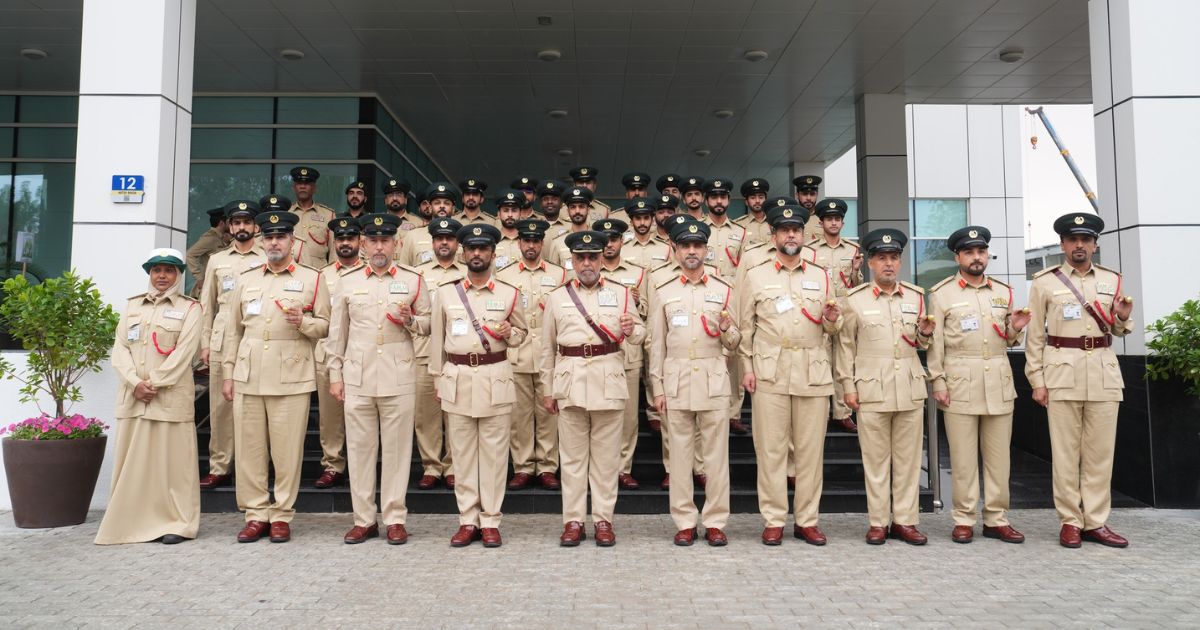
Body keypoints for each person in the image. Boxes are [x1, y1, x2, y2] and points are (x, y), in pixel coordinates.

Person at [1025, 212, 1134, 549]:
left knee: (1100, 454)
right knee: (1065, 454)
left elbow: (1119, 328)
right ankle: (1070, 521)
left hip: (1103, 372)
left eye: (1085, 240)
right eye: (1073, 240)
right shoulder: (1045, 282)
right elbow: (1035, 337)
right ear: (1063, 244)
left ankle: (1096, 522)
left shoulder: (1112, 279)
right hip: (1062, 372)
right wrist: (1037, 380)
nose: (1079, 245)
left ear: (1095, 245)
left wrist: (1122, 319)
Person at [222, 210, 330, 543]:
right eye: (268, 237)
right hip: (249, 373)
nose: (274, 243)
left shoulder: (313, 278)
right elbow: (232, 331)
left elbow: (326, 326)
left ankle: (282, 513)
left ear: (292, 241)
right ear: (261, 241)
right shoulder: (247, 278)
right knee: (250, 450)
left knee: (287, 452)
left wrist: (304, 323)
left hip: (290, 375)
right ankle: (256, 513)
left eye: (280, 237)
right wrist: (227, 373)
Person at [737, 205, 841, 546]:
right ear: (774, 236)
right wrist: (747, 368)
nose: (791, 234)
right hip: (771, 371)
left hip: (812, 371)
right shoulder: (756, 275)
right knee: (771, 451)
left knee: (810, 453)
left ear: (804, 234)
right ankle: (774, 519)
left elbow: (832, 327)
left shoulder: (821, 275)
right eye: (784, 230)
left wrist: (832, 320)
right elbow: (745, 328)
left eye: (796, 229)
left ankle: (807, 520)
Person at [326, 213, 430, 544]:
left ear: (396, 244)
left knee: (397, 452)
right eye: (373, 241)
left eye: (385, 240)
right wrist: (335, 374)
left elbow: (429, 323)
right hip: (357, 376)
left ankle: (395, 517)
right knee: (360, 451)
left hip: (398, 376)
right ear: (363, 244)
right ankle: (364, 519)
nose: (379, 247)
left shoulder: (414, 280)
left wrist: (411, 320)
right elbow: (337, 333)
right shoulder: (348, 280)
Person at [541, 230, 645, 547]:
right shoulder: (557, 297)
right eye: (580, 258)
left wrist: (633, 329)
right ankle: (573, 520)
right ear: (572, 261)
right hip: (570, 383)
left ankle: (603, 520)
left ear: (602, 259)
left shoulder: (622, 293)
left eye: (592, 257)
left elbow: (641, 334)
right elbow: (547, 348)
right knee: (572, 460)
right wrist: (547, 388)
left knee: (606, 460)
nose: (587, 263)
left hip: (608, 380)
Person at [927, 226, 1029, 544]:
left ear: (987, 255)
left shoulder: (1003, 292)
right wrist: (938, 381)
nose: (976, 257)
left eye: (981, 252)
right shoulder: (942, 294)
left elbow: (1009, 338)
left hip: (998, 381)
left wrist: (1015, 329)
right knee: (963, 459)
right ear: (957, 257)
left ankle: (997, 518)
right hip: (959, 382)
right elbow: (935, 344)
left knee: (999, 459)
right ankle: (964, 518)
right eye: (969, 252)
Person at [429, 223, 527, 548]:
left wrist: (511, 334)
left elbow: (522, 334)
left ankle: (491, 520)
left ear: (493, 254)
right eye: (471, 248)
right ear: (463, 253)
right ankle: (467, 520)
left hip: (494, 376)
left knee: (495, 456)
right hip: (457, 378)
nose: (477, 253)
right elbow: (437, 341)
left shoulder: (510, 293)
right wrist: (437, 378)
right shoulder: (446, 292)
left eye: (483, 248)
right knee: (462, 455)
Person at [97, 248, 203, 545]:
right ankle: (131, 521)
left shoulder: (190, 309)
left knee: (173, 467)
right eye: (157, 270)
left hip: (168, 399)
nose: (162, 276)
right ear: (149, 273)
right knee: (133, 465)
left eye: (169, 270)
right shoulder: (132, 306)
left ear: (178, 275)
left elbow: (185, 353)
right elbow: (120, 350)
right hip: (134, 398)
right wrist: (134, 383)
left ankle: (178, 523)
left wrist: (152, 383)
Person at [837, 228, 934, 546]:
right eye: (881, 258)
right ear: (870, 263)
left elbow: (922, 342)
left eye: (893, 258)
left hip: (908, 386)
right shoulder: (855, 300)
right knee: (876, 461)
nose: (888, 264)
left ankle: (905, 521)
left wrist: (926, 334)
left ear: (900, 262)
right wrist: (848, 386)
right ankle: (878, 521)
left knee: (908, 461)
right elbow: (845, 347)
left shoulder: (916, 296)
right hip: (871, 388)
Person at [648, 219, 740, 546]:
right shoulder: (663, 291)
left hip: (713, 379)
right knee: (680, 458)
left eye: (697, 245)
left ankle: (715, 521)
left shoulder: (724, 289)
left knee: (716, 458)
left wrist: (728, 330)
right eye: (685, 246)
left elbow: (735, 341)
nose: (691, 251)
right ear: (675, 250)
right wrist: (657, 388)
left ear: (706, 250)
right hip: (676, 381)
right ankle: (685, 520)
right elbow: (656, 345)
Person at [198, 200, 265, 489]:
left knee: (255, 407)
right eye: (237, 222)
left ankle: (254, 467)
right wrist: (204, 343)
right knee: (221, 407)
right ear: (230, 226)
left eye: (247, 222)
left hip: (254, 336)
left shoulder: (266, 256)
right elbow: (207, 306)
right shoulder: (217, 260)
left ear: (256, 226)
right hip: (222, 338)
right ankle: (220, 466)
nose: (242, 227)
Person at [497, 219, 566, 491]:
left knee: (549, 413)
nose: (531, 245)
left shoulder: (560, 275)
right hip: (517, 352)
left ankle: (547, 466)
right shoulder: (505, 276)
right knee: (520, 417)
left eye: (536, 241)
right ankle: (523, 466)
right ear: (519, 243)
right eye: (527, 240)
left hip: (549, 353)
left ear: (542, 243)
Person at [592, 218, 649, 490]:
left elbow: (648, 311)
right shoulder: (588, 273)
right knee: (597, 416)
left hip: (627, 355)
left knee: (628, 419)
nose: (609, 245)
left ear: (621, 241)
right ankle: (600, 469)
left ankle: (623, 468)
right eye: (604, 241)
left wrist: (637, 302)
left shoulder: (639, 273)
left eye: (613, 239)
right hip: (597, 356)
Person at [311, 217, 367, 490]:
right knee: (330, 417)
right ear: (334, 243)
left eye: (350, 238)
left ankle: (362, 466)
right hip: (328, 353)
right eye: (340, 239)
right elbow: (319, 318)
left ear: (360, 241)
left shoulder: (371, 272)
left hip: (363, 356)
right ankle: (333, 465)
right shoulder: (321, 276)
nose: (345, 243)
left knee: (364, 416)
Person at [412, 218, 467, 489]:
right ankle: (431, 466)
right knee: (427, 415)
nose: (444, 243)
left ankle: (454, 466)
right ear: (432, 242)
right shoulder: (417, 275)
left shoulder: (468, 273)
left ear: (458, 244)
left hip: (459, 353)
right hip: (424, 351)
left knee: (456, 414)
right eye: (439, 238)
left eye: (449, 238)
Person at [808, 198, 864, 434]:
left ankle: (842, 413)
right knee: (821, 360)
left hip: (845, 310)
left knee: (844, 359)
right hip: (820, 311)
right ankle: (821, 411)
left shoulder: (852, 249)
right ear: (821, 223)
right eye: (829, 219)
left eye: (837, 219)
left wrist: (856, 270)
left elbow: (857, 285)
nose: (833, 223)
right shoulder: (810, 250)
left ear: (842, 222)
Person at [287, 166, 337, 268]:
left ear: (314, 188)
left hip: (318, 271)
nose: (302, 186)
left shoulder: (328, 215)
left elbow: (334, 251)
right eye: (299, 183)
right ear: (294, 188)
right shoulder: (286, 213)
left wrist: (332, 273)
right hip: (290, 269)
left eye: (307, 183)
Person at [186, 207, 232, 297]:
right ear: (222, 223)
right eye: (228, 222)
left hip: (221, 284)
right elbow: (190, 255)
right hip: (210, 286)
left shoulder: (223, 237)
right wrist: (199, 278)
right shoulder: (210, 238)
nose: (230, 225)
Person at [734, 178, 771, 248]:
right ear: (746, 202)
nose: (757, 201)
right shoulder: (738, 225)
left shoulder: (774, 223)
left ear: (766, 200)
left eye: (761, 197)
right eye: (753, 198)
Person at [791, 174, 823, 243]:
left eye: (812, 194)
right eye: (805, 194)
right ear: (797, 195)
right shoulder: (790, 217)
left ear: (817, 195)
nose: (809, 198)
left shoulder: (823, 218)